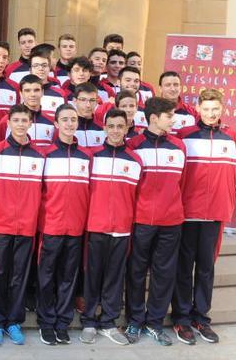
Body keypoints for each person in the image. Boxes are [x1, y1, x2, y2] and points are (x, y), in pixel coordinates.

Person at [171, 88, 236, 345]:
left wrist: (228, 204)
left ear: (222, 109)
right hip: (188, 214)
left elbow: (235, 175)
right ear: (197, 109)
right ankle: (181, 317)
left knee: (207, 268)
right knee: (184, 267)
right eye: (206, 109)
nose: (211, 114)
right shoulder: (185, 136)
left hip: (214, 214)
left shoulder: (231, 137)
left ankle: (201, 317)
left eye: (215, 109)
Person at [125, 97, 186, 346]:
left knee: (164, 273)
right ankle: (135, 320)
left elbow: (181, 183)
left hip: (172, 220)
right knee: (137, 272)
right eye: (169, 116)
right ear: (153, 118)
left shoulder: (179, 146)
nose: (174, 120)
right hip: (142, 220)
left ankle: (155, 323)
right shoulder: (134, 145)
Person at [80, 108, 142, 345]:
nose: (116, 131)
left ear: (127, 128)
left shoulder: (135, 160)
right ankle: (88, 320)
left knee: (115, 277)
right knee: (93, 274)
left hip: (122, 228)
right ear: (104, 127)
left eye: (120, 126)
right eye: (111, 126)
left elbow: (137, 196)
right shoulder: (92, 156)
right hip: (96, 225)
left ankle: (108, 321)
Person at [0, 104, 45, 345]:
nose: (21, 124)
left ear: (30, 123)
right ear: (8, 122)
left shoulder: (40, 155)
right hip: (0, 224)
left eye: (25, 120)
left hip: (27, 225)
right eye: (16, 120)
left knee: (19, 275)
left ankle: (14, 321)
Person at [36, 104, 92, 345]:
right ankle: (46, 322)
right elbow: (38, 192)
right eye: (65, 120)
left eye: (73, 119)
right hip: (51, 226)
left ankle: (62, 322)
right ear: (56, 124)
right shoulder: (45, 155)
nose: (70, 123)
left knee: (69, 276)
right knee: (47, 276)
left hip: (76, 227)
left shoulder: (87, 156)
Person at [0, 74, 55, 148]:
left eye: (36, 90)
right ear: (21, 93)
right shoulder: (7, 120)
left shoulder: (51, 122)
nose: (32, 94)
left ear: (42, 92)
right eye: (27, 91)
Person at [29, 49, 66, 119]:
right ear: (30, 70)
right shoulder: (23, 92)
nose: (40, 68)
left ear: (49, 68)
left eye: (44, 65)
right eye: (36, 65)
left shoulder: (60, 94)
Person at [71, 83, 106, 148]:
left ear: (97, 102)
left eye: (92, 100)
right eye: (83, 100)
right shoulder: (67, 127)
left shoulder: (104, 129)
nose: (88, 105)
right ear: (74, 101)